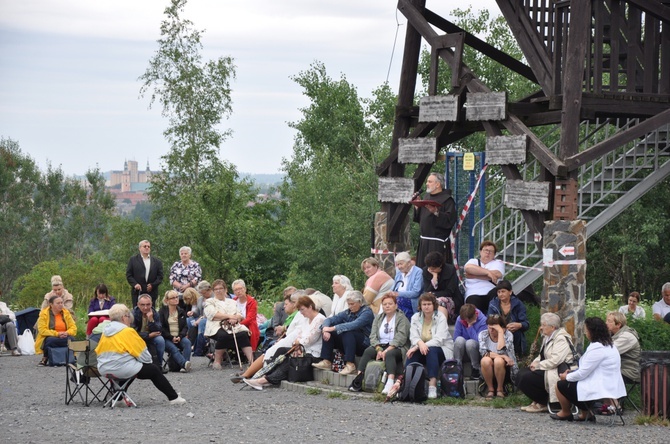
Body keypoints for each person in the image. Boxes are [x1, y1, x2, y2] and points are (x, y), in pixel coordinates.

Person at [95, 304, 186, 405]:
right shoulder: (127, 331)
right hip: (121, 368)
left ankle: (118, 398)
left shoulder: (105, 332)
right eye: (129, 317)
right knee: (153, 370)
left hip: (103, 368)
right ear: (123, 318)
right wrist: (147, 362)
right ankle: (173, 397)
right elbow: (143, 354)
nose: (130, 320)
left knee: (130, 366)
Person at [243, 296, 325, 390]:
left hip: (314, 353)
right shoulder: (306, 319)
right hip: (303, 348)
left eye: (302, 309)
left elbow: (311, 339)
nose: (301, 313)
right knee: (280, 350)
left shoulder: (320, 319)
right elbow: (299, 334)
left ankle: (264, 380)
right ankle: (266, 374)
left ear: (310, 307)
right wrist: (296, 345)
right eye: (300, 310)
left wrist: (298, 344)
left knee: (288, 359)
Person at [553, 317, 626, 421]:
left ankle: (566, 412)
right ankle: (585, 413)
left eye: (586, 330)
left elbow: (583, 373)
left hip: (601, 386)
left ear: (592, 332)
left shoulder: (597, 348)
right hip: (610, 384)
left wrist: (566, 376)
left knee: (560, 384)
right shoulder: (609, 345)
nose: (585, 333)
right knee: (572, 381)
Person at [516, 313, 576, 413]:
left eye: (543, 325)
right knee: (520, 373)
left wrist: (538, 366)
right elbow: (542, 355)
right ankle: (538, 400)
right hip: (549, 368)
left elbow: (556, 360)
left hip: (557, 370)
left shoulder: (561, 338)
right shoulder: (547, 337)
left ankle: (543, 402)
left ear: (552, 327)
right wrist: (534, 363)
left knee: (526, 378)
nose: (541, 327)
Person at [351, 294, 410, 394]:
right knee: (368, 351)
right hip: (380, 345)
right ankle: (359, 379)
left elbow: (401, 337)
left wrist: (386, 350)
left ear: (396, 305)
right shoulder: (378, 318)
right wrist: (378, 349)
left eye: (390, 304)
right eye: (385, 304)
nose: (387, 306)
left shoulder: (402, 318)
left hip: (397, 347)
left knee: (390, 354)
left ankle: (390, 382)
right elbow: (373, 335)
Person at [312, 291, 374, 375]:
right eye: (349, 304)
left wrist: (333, 328)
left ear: (360, 302)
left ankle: (350, 364)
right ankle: (326, 361)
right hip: (350, 343)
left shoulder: (367, 312)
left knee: (347, 331)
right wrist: (326, 329)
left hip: (364, 344)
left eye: (352, 304)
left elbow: (354, 325)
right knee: (330, 333)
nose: (350, 306)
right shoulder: (348, 312)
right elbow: (330, 319)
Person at [406, 292, 454, 399]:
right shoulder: (415, 317)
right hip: (422, 349)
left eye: (429, 304)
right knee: (411, 355)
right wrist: (419, 344)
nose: (426, 307)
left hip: (440, 350)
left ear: (434, 305)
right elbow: (413, 337)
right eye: (424, 304)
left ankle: (432, 385)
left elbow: (439, 339)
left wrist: (419, 346)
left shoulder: (440, 317)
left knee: (431, 350)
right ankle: (405, 382)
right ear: (420, 306)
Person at [413, 172, 457, 267]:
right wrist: (417, 207)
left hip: (437, 244)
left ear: (438, 184)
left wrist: (436, 212)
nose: (427, 184)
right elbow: (421, 219)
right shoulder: (426, 197)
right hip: (424, 242)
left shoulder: (447, 200)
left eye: (430, 181)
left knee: (436, 269)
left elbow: (450, 221)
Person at [204, 284, 254, 369]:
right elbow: (213, 315)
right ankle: (217, 360)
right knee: (224, 335)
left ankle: (252, 361)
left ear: (225, 290)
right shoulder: (209, 301)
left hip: (233, 325)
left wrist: (236, 318)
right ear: (213, 291)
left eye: (221, 288)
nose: (218, 290)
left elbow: (239, 314)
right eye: (216, 289)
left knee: (243, 334)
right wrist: (230, 316)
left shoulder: (232, 302)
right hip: (215, 325)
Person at [479, 314, 518, 400]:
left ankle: (500, 389)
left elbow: (501, 350)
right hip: (489, 367)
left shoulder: (508, 335)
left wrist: (500, 332)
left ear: (502, 328)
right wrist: (504, 356)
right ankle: (490, 390)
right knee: (485, 360)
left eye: (494, 328)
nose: (491, 330)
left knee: (498, 360)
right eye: (489, 327)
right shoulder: (483, 334)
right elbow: (484, 353)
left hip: (506, 367)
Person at [487, 280, 529, 357]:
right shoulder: (493, 304)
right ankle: (498, 354)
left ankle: (517, 355)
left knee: (516, 332)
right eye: (498, 292)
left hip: (514, 334)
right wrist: (501, 329)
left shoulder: (518, 304)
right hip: (497, 333)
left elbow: (526, 324)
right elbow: (489, 322)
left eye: (503, 291)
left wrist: (519, 325)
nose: (500, 294)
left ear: (510, 292)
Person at [35, 295, 77, 365]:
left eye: (61, 303)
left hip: (65, 335)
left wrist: (67, 333)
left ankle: (72, 357)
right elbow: (42, 330)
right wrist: (57, 334)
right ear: (51, 304)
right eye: (58, 303)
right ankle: (45, 358)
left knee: (72, 339)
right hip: (51, 336)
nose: (60, 305)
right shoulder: (44, 314)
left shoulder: (66, 313)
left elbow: (73, 328)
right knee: (50, 340)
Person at [464, 241, 505, 313]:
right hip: (473, 292)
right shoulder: (473, 261)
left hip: (491, 291)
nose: (488, 253)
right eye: (486, 250)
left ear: (494, 254)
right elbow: (468, 268)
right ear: (480, 252)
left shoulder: (498, 263)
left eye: (491, 251)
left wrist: (474, 275)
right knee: (472, 307)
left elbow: (497, 274)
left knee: (497, 297)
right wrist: (488, 273)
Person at [422, 251, 462, 322]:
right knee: (426, 303)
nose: (431, 270)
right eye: (430, 268)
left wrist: (434, 294)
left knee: (439, 302)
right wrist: (434, 277)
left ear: (440, 265)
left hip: (450, 298)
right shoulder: (426, 271)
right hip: (432, 298)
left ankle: (441, 326)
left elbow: (450, 291)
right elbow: (427, 290)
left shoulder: (450, 270)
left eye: (433, 269)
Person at [158, 290, 192, 373]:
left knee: (187, 343)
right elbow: (161, 328)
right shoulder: (162, 311)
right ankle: (184, 364)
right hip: (167, 338)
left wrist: (180, 336)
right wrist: (171, 337)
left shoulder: (181, 311)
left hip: (179, 336)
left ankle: (184, 366)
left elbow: (185, 327)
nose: (176, 299)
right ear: (167, 300)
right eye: (172, 298)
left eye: (177, 297)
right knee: (173, 348)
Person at [453, 303, 487, 380]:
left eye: (469, 320)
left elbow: (480, 340)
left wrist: (470, 327)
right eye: (465, 320)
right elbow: (455, 337)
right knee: (459, 340)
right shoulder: (460, 319)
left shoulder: (483, 321)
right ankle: (458, 367)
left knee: (470, 343)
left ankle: (475, 368)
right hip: (462, 349)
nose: (467, 322)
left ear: (475, 314)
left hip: (475, 350)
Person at [125, 239, 164, 308]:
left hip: (151, 291)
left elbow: (160, 276)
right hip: (137, 291)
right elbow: (129, 275)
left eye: (148, 246)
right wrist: (135, 284)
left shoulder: (157, 262)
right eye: (145, 246)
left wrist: (153, 285)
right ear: (140, 248)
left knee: (151, 311)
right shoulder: (133, 260)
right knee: (137, 312)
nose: (147, 248)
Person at [606, 311, 641, 384]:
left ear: (618, 325)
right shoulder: (612, 334)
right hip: (618, 369)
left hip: (629, 372)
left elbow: (608, 352)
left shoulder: (627, 337)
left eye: (609, 321)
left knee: (598, 375)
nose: (606, 323)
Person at [132, 294, 165, 369]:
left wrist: (151, 320)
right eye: (142, 305)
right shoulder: (133, 314)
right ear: (138, 304)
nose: (145, 307)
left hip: (151, 336)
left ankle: (159, 365)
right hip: (138, 337)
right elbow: (133, 333)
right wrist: (148, 335)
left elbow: (159, 330)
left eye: (148, 304)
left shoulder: (155, 313)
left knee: (160, 340)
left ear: (151, 304)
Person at [387, 252, 423, 319]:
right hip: (398, 298)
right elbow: (393, 288)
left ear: (409, 263)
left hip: (411, 301)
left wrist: (398, 294)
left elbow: (416, 292)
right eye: (397, 264)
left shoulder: (418, 272)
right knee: (386, 302)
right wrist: (389, 293)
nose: (399, 267)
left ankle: (403, 324)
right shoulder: (399, 273)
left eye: (401, 264)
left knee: (397, 303)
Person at [231, 279, 261, 351]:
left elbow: (249, 319)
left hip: (248, 325)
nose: (238, 291)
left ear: (245, 289)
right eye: (235, 290)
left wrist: (238, 325)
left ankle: (250, 353)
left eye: (240, 288)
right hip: (234, 324)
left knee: (248, 330)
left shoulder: (252, 302)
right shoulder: (233, 302)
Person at [0, 289, 21, 356]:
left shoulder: (3, 304)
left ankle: (14, 349)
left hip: (4, 323)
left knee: (10, 325)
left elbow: (13, 315)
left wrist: (5, 316)